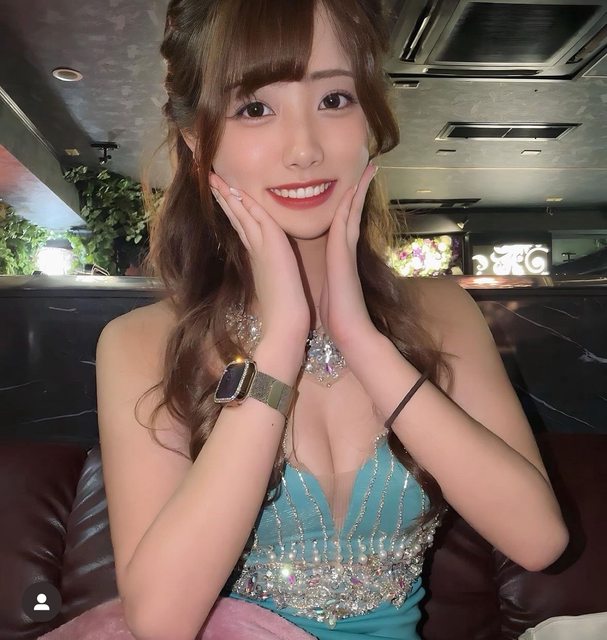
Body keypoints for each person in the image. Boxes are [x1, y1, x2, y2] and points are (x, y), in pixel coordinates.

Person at [96, 1, 569, 639]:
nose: (305, 149)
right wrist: (282, 341)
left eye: (334, 99)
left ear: (369, 115)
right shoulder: (141, 343)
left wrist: (362, 340)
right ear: (196, 139)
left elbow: (538, 539)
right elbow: (161, 621)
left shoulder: (441, 312)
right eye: (254, 108)